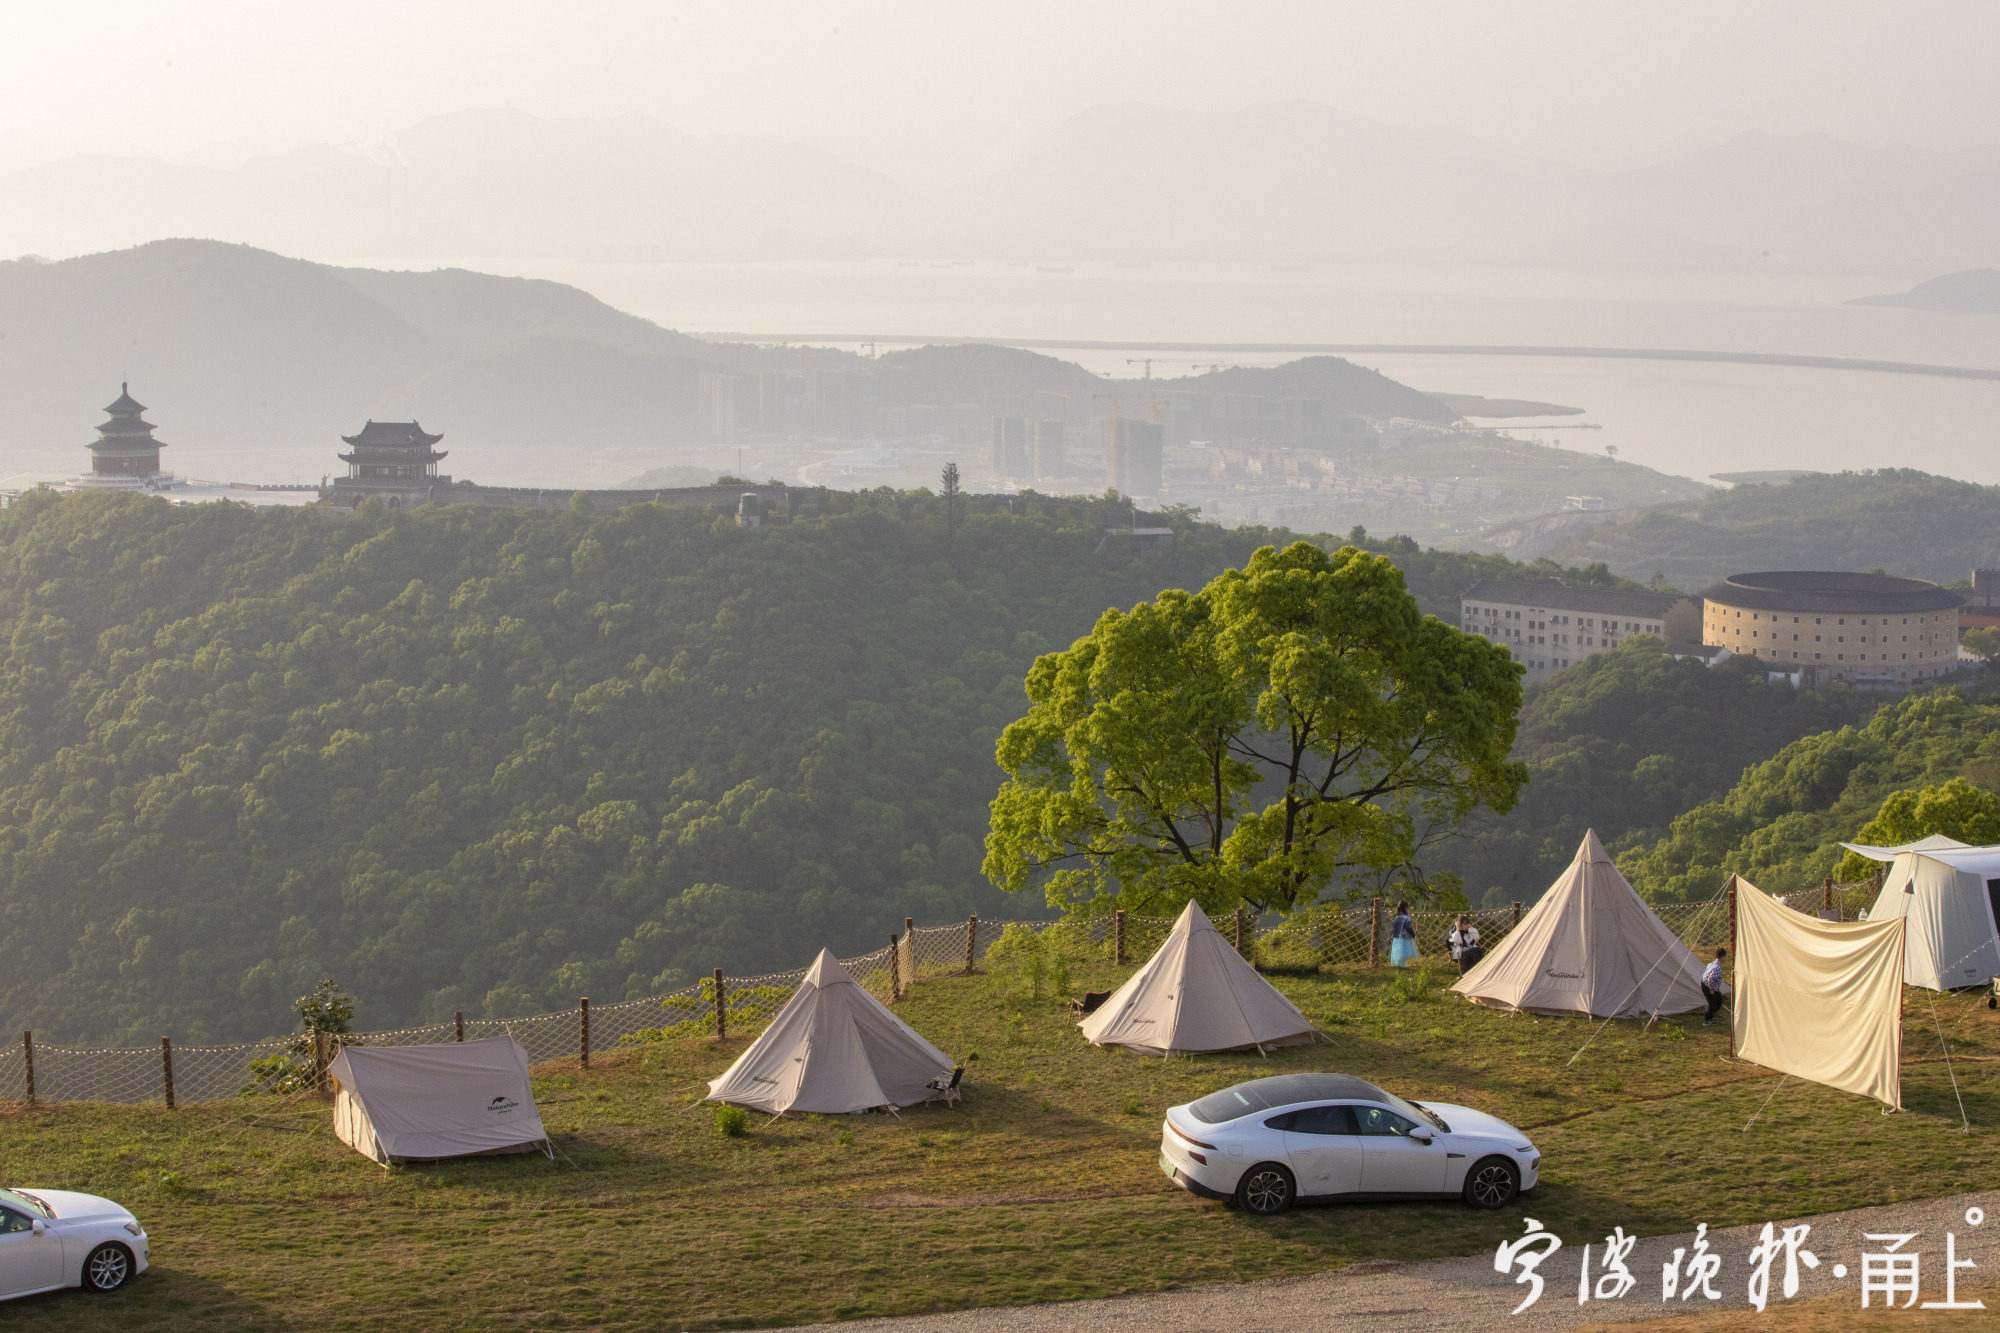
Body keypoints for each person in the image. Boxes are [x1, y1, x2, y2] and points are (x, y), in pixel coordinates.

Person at [1701, 946, 1729, 1026]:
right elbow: (1711, 978)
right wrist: (1711, 989)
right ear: (1723, 957)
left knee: (1718, 999)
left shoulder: (1712, 963)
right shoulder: (1717, 967)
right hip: (1708, 986)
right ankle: (1707, 1020)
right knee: (1712, 1004)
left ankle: (1711, 1015)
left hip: (1706, 984)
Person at [1389, 899, 1418, 968]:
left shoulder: (1396, 918)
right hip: (1404, 937)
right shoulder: (1406, 918)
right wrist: (1413, 934)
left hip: (1396, 937)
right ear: (1405, 908)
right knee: (1403, 952)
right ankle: (1402, 965)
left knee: (1397, 951)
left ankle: (1396, 964)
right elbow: (1409, 927)